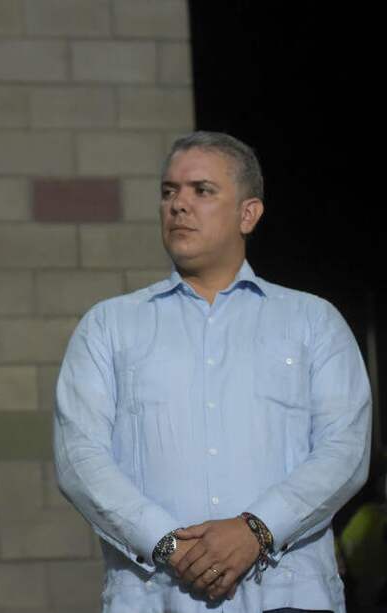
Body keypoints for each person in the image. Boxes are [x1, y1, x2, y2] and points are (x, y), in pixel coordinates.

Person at [54, 131, 371, 613]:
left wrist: (256, 530)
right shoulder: (108, 326)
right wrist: (168, 546)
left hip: (289, 595)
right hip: (156, 597)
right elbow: (80, 459)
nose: (179, 205)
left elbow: (345, 450)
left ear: (249, 213)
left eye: (201, 190)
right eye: (168, 191)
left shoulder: (312, 321)